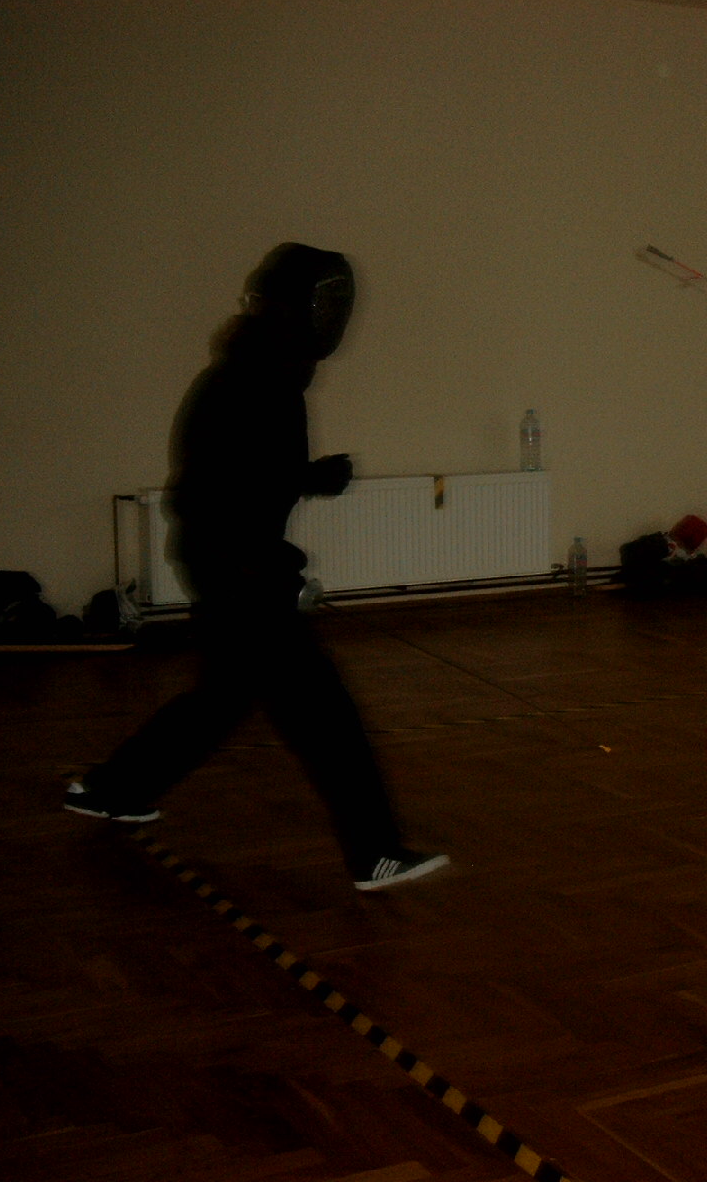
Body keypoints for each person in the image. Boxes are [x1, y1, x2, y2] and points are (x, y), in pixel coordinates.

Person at [65, 243, 448, 892]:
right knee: (327, 717)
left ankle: (112, 790)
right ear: (289, 308)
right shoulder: (256, 382)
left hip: (227, 564)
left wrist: (308, 479)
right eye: (323, 302)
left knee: (221, 698)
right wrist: (258, 570)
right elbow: (212, 492)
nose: (333, 317)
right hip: (238, 570)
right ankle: (376, 854)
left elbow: (246, 473)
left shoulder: (260, 373)